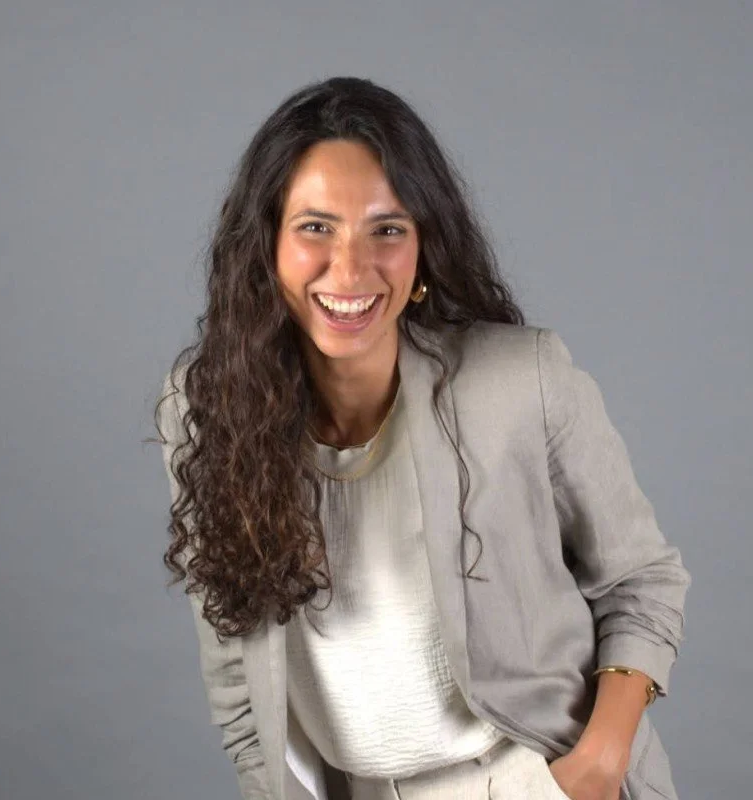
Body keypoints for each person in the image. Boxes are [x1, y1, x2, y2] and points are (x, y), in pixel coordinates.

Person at [155, 76, 691, 800]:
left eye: (387, 229)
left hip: (533, 778)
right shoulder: (204, 407)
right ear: (267, 247)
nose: (350, 269)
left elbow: (641, 582)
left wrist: (598, 762)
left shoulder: (516, 382)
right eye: (316, 226)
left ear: (423, 252)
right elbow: (234, 664)